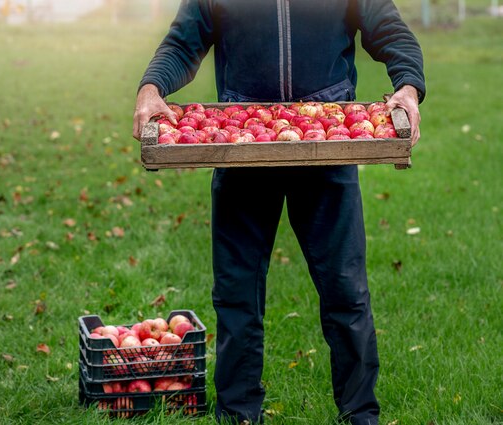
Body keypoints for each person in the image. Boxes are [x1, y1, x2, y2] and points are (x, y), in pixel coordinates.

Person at [133, 2, 425, 424]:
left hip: (328, 142)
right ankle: (237, 414)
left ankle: (361, 415)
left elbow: (389, 30)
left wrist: (409, 85)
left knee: (346, 293)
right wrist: (151, 87)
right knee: (236, 296)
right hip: (242, 143)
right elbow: (184, 41)